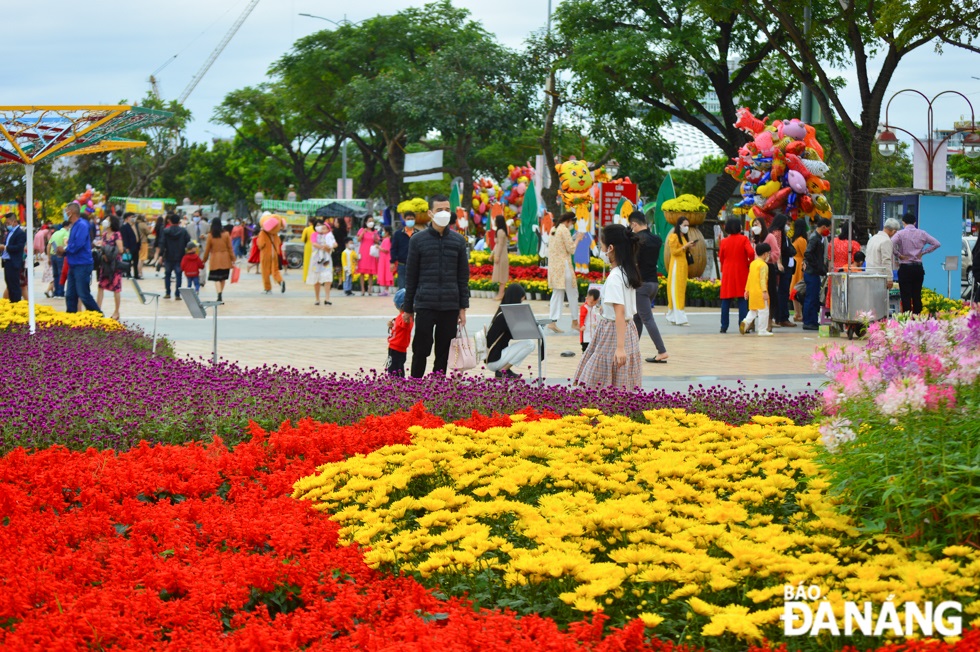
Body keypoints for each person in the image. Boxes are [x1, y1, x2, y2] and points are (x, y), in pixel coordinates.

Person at [403, 195, 470, 378]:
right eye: (439, 210)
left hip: (450, 305)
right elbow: (411, 276)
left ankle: (437, 388)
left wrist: (463, 307)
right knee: (421, 349)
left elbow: (463, 277)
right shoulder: (418, 240)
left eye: (447, 210)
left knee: (443, 351)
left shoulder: (458, 241)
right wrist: (408, 308)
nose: (444, 213)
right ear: (431, 213)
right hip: (425, 303)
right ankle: (415, 385)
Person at [574, 223, 642, 389]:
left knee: (597, 378)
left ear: (610, 248)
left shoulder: (614, 277)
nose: (600, 249)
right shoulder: (627, 271)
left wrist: (620, 348)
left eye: (601, 245)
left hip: (613, 330)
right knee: (622, 378)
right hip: (627, 330)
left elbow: (620, 312)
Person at [628, 211, 669, 361]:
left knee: (647, 319)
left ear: (634, 224)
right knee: (637, 318)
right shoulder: (656, 239)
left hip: (641, 285)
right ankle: (632, 351)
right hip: (653, 283)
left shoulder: (638, 240)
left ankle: (662, 351)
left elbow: (634, 261)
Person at [891, 213, 940, 314]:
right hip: (918, 268)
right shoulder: (922, 233)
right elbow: (936, 243)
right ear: (915, 222)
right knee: (917, 295)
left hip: (905, 268)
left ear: (903, 222)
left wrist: (898, 254)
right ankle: (918, 319)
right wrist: (923, 252)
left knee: (906, 296)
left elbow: (890, 243)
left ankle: (907, 319)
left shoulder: (900, 234)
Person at [485, 284, 536, 379]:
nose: (521, 303)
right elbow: (520, 334)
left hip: (492, 358)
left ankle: (505, 370)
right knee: (530, 344)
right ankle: (502, 370)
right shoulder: (506, 316)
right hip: (495, 360)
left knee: (527, 343)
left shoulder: (501, 313)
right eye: (521, 299)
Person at [61, 202, 102, 314]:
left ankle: (98, 316)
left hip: (82, 265)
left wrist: (65, 250)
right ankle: (71, 319)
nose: (65, 213)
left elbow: (78, 245)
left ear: (71, 212)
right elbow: (72, 244)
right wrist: (64, 251)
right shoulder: (74, 226)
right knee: (70, 295)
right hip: (73, 264)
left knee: (83, 294)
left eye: (66, 211)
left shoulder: (82, 225)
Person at [547, 212, 584, 333]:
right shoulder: (565, 230)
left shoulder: (554, 229)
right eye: (572, 222)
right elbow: (571, 249)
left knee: (557, 294)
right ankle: (574, 322)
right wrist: (578, 239)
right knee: (573, 293)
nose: (572, 225)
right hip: (564, 267)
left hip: (555, 267)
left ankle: (552, 321)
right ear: (568, 221)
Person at [718, 217, 755, 334]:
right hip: (741, 271)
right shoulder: (744, 239)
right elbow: (751, 252)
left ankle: (724, 326)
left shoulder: (724, 241)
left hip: (728, 272)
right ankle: (743, 325)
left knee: (726, 300)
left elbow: (721, 257)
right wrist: (749, 263)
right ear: (739, 227)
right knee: (742, 299)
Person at [802, 217, 832, 330]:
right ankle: (808, 322)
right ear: (823, 227)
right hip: (812, 273)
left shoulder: (819, 238)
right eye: (828, 228)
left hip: (814, 272)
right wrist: (817, 266)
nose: (828, 231)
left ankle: (813, 321)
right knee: (811, 298)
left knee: (814, 298)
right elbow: (808, 253)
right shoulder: (815, 238)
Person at [740, 243, 774, 337]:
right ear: (764, 254)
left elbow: (749, 278)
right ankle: (762, 330)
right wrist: (765, 292)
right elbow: (763, 279)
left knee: (753, 311)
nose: (769, 255)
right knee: (764, 311)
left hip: (753, 292)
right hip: (760, 292)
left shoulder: (753, 264)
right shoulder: (763, 265)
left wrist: (746, 290)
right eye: (768, 253)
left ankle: (745, 322)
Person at [665, 216, 694, 326]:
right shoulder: (674, 237)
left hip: (683, 265)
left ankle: (672, 316)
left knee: (680, 289)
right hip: (676, 265)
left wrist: (689, 246)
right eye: (685, 225)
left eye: (688, 225)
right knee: (677, 290)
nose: (686, 227)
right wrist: (685, 246)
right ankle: (680, 318)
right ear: (679, 225)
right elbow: (674, 252)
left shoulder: (684, 237)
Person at [769, 213, 796, 328]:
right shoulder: (778, 233)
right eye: (787, 224)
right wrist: (779, 263)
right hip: (782, 267)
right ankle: (782, 318)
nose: (788, 226)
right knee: (782, 293)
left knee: (783, 292)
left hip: (786, 265)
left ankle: (779, 317)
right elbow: (777, 249)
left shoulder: (781, 233)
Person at [96, 215, 124, 319]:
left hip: (114, 264)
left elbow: (120, 249)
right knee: (101, 286)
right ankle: (98, 309)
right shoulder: (104, 235)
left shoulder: (117, 234)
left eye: (107, 220)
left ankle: (116, 312)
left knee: (116, 288)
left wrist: (109, 251)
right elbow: (102, 247)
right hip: (105, 263)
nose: (105, 222)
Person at [202, 217, 234, 302]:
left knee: (216, 278)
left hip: (215, 259)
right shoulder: (226, 234)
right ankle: (220, 293)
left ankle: (219, 293)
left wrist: (204, 260)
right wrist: (233, 259)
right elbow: (230, 248)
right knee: (222, 278)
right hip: (225, 259)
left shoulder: (210, 235)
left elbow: (207, 249)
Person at [160, 213, 191, 300]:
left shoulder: (166, 231)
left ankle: (167, 293)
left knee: (167, 274)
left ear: (170, 221)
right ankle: (177, 294)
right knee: (178, 275)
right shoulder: (183, 231)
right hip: (180, 256)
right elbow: (188, 243)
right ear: (179, 221)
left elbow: (162, 244)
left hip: (168, 256)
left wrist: (160, 255)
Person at [306, 219, 336, 305]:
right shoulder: (314, 235)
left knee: (328, 278)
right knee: (317, 279)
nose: (319, 227)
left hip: (326, 259)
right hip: (316, 259)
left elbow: (333, 244)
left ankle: (327, 298)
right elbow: (314, 244)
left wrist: (330, 246)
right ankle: (317, 298)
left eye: (321, 225)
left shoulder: (328, 235)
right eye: (317, 225)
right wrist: (324, 247)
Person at [385, 288, 414, 377]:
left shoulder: (406, 317)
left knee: (394, 370)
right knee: (397, 369)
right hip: (394, 347)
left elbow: (405, 324)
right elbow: (399, 327)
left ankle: (397, 386)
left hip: (397, 349)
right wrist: (392, 324)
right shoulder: (401, 316)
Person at [865, 218, 901, 287]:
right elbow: (886, 260)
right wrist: (889, 279)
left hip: (868, 274)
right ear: (893, 231)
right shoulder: (886, 241)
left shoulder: (872, 238)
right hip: (879, 277)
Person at [257, 213, 285, 294]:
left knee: (265, 271)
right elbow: (279, 242)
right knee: (275, 270)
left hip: (266, 254)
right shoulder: (275, 234)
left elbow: (260, 244)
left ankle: (267, 288)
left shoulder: (263, 233)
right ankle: (281, 281)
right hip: (275, 254)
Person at [0, 212, 26, 302]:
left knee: (14, 285)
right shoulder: (10, 232)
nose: (7, 225)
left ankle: (16, 303)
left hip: (14, 262)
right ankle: (12, 302)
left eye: (8, 223)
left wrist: (5, 247)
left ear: (14, 221)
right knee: (9, 283)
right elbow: (6, 244)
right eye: (6, 223)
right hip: (7, 261)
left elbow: (19, 247)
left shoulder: (20, 233)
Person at [390, 213, 415, 290]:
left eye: (412, 219)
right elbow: (394, 248)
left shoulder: (418, 233)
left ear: (415, 220)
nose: (410, 220)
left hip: (415, 265)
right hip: (402, 264)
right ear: (404, 220)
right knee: (402, 288)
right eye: (408, 219)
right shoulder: (398, 234)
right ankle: (402, 302)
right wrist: (392, 262)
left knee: (414, 287)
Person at [790, 218, 808, 321]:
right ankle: (799, 313)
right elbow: (805, 253)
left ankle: (797, 313)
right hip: (800, 265)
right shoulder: (802, 240)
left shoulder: (795, 239)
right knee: (798, 290)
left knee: (794, 289)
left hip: (795, 264)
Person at [357, 217, 379, 296]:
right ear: (366, 222)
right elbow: (358, 239)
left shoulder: (375, 231)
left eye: (372, 221)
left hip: (371, 253)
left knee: (371, 273)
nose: (371, 222)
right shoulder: (362, 230)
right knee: (362, 272)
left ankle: (370, 289)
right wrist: (363, 232)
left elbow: (377, 241)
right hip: (363, 252)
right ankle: (362, 289)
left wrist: (375, 237)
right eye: (369, 221)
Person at [48, 220, 70, 298]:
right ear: (68, 226)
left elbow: (49, 245)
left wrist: (49, 257)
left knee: (55, 275)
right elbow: (65, 241)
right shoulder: (66, 233)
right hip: (60, 256)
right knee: (62, 274)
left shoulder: (55, 233)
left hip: (53, 255)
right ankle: (60, 292)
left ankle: (56, 293)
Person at [491, 215, 510, 301]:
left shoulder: (500, 232)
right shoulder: (500, 231)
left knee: (502, 275)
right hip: (500, 254)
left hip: (502, 255)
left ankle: (501, 294)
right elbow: (497, 245)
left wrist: (497, 256)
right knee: (500, 274)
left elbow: (501, 245)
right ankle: (500, 293)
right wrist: (492, 254)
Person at [579, 288, 601, 353]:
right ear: (587, 299)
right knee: (586, 342)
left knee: (593, 341)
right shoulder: (584, 307)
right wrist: (582, 325)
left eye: (595, 303)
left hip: (593, 328)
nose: (592, 304)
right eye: (591, 302)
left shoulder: (594, 307)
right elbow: (581, 317)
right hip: (586, 328)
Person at [119, 212, 140, 279]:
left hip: (136, 246)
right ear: (128, 218)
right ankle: (128, 273)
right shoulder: (124, 227)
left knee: (136, 261)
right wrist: (126, 247)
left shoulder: (136, 225)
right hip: (129, 247)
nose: (134, 218)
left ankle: (136, 274)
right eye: (132, 217)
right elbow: (124, 238)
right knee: (128, 261)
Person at [376, 226, 394, 296]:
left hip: (385, 259)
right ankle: (386, 290)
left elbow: (386, 250)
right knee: (386, 272)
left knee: (386, 272)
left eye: (383, 231)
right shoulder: (388, 239)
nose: (382, 232)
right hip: (385, 258)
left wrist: (378, 247)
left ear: (387, 232)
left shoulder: (387, 240)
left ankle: (386, 290)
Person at [300, 216, 315, 284]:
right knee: (314, 262)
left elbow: (303, 239)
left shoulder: (306, 229)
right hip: (315, 247)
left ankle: (306, 278)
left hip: (308, 246)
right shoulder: (316, 229)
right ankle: (314, 278)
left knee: (307, 263)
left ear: (310, 222)